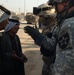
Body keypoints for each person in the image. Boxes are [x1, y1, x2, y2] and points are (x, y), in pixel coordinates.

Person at [24, 0, 74, 75]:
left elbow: (64, 67)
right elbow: (54, 44)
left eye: (55, 4)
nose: (55, 9)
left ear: (64, 4)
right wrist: (38, 37)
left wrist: (39, 36)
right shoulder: (61, 23)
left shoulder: (69, 24)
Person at [33, 3, 57, 75]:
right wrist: (36, 37)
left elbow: (52, 45)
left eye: (41, 16)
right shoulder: (46, 27)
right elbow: (42, 44)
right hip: (47, 62)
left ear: (47, 16)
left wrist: (39, 37)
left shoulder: (56, 27)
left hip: (54, 64)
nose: (39, 19)